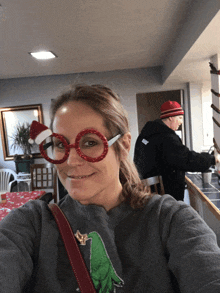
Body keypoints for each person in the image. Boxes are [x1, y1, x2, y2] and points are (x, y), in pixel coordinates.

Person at [0, 85, 220, 292]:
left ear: (123, 145)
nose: (71, 161)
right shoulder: (32, 224)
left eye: (90, 142)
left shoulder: (170, 220)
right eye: (60, 144)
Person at [134, 100, 220, 201]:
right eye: (179, 118)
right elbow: (186, 159)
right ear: (170, 117)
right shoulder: (165, 137)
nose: (181, 122)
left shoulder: (146, 134)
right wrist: (212, 159)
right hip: (165, 199)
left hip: (148, 195)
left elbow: (177, 156)